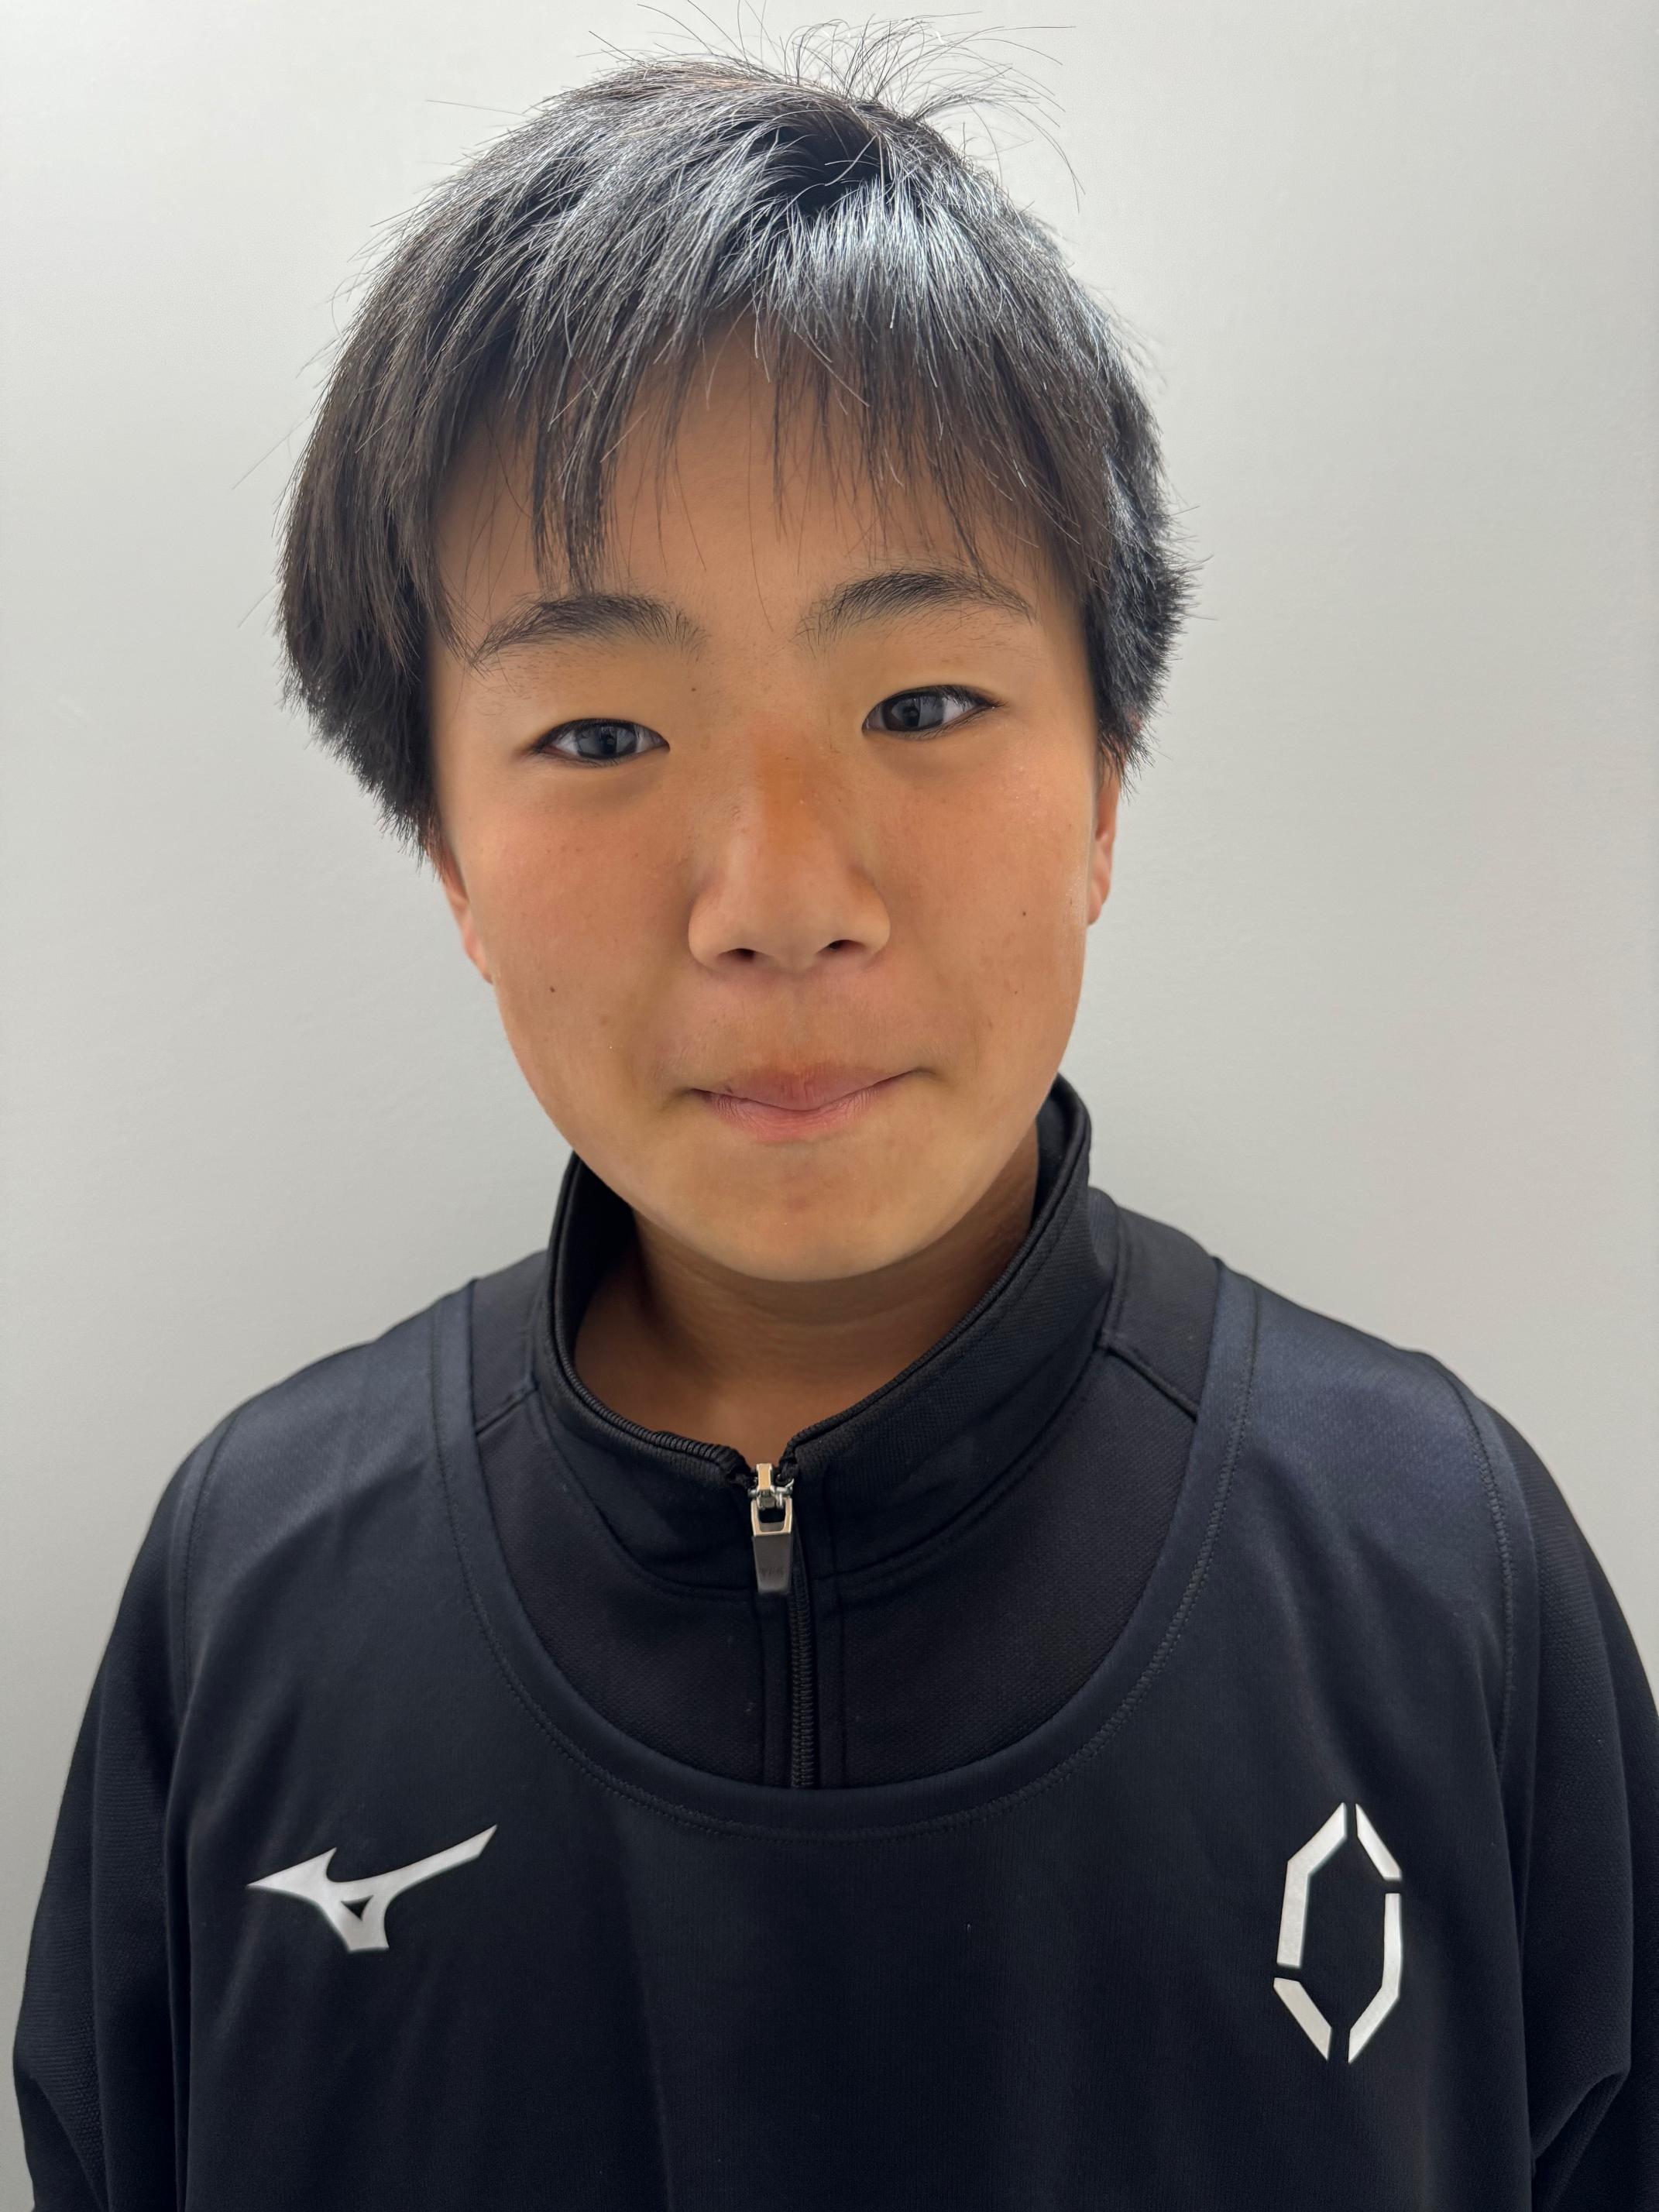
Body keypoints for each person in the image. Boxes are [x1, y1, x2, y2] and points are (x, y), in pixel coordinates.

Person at [12, 31, 1656, 2212]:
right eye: (601, 734)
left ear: (1106, 788)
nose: (780, 900)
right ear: (446, 850)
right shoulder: (252, 1590)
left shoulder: (1439, 1569)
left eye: (924, 703)